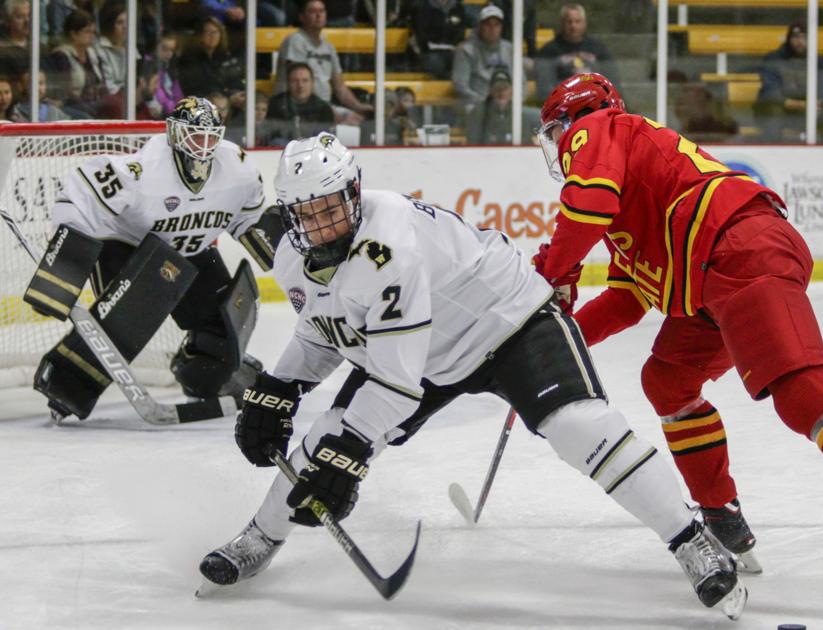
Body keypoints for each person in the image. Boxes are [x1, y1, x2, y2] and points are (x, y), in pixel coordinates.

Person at [196, 132, 748, 619]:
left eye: (332, 208)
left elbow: (396, 380)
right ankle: (258, 538)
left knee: (581, 428)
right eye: (309, 214)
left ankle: (690, 540)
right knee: (326, 438)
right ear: (292, 217)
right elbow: (328, 329)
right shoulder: (294, 258)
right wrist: (281, 387)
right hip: (423, 349)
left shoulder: (390, 246)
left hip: (509, 321)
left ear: (354, 194)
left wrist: (353, 452)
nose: (323, 224)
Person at [533, 72, 823, 594]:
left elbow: (585, 205)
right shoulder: (628, 192)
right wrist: (554, 340)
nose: (560, 144)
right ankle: (721, 514)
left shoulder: (599, 127)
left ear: (576, 117)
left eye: (557, 130)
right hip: (714, 274)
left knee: (803, 398)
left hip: (742, 251)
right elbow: (627, 300)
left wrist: (553, 274)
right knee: (667, 380)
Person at [22, 96, 284, 421]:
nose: (204, 146)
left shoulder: (238, 169)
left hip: (191, 249)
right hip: (127, 249)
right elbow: (81, 195)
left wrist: (278, 241)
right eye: (195, 136)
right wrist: (63, 269)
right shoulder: (144, 169)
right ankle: (64, 386)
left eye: (210, 137)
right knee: (129, 318)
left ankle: (200, 375)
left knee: (224, 327)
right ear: (174, 134)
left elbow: (249, 218)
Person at [271, 0, 373, 122]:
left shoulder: (328, 47)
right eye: (313, 11)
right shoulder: (295, 41)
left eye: (321, 11)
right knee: (349, 124)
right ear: (302, 17)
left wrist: (359, 107)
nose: (318, 15)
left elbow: (339, 87)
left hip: (324, 107)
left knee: (361, 121)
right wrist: (333, 116)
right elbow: (299, 86)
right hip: (297, 108)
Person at [753, 23, 823, 142]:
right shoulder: (773, 58)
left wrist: (818, 102)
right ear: (788, 39)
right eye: (796, 37)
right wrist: (801, 105)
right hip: (778, 107)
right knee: (773, 114)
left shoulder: (816, 60)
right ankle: (773, 153)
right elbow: (771, 92)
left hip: (804, 108)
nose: (800, 41)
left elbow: (821, 88)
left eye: (804, 37)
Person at [535, 3, 617, 102]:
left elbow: (612, 80)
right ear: (562, 23)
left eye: (577, 21)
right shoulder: (549, 51)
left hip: (595, 102)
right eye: (569, 21)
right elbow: (544, 88)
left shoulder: (598, 48)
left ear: (585, 23)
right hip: (562, 104)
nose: (573, 26)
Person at [452, 4, 519, 110]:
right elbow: (460, 85)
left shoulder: (510, 49)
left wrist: (512, 101)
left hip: (508, 106)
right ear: (480, 26)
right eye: (488, 24)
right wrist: (485, 102)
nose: (492, 29)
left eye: (496, 25)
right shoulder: (466, 50)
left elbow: (522, 82)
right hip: (477, 105)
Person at [46, 9, 106, 119]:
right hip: (73, 107)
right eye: (87, 32)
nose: (92, 36)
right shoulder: (62, 55)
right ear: (73, 34)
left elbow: (102, 84)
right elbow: (66, 93)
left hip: (95, 104)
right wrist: (91, 108)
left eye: (93, 32)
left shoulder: (93, 54)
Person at [178, 16, 245, 111]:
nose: (212, 36)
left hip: (228, 101)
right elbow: (198, 87)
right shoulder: (190, 58)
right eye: (208, 32)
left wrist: (236, 93)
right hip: (201, 104)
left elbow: (234, 79)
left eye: (216, 32)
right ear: (200, 35)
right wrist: (228, 97)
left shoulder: (224, 56)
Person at [466, 66, 540, 144]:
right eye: (497, 88)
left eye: (505, 88)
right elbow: (473, 143)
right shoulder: (478, 113)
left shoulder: (522, 114)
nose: (501, 93)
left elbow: (544, 120)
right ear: (490, 90)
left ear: (511, 90)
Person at [268, 62, 336, 145]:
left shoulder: (324, 109)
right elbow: (273, 137)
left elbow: (326, 140)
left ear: (312, 83)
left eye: (305, 81)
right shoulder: (275, 105)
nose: (300, 85)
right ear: (288, 83)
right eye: (294, 81)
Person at [402, 0, 467, 79]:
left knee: (464, 63)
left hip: (453, 52)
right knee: (435, 64)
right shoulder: (421, 6)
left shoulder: (458, 7)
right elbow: (421, 35)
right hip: (429, 52)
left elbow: (460, 34)